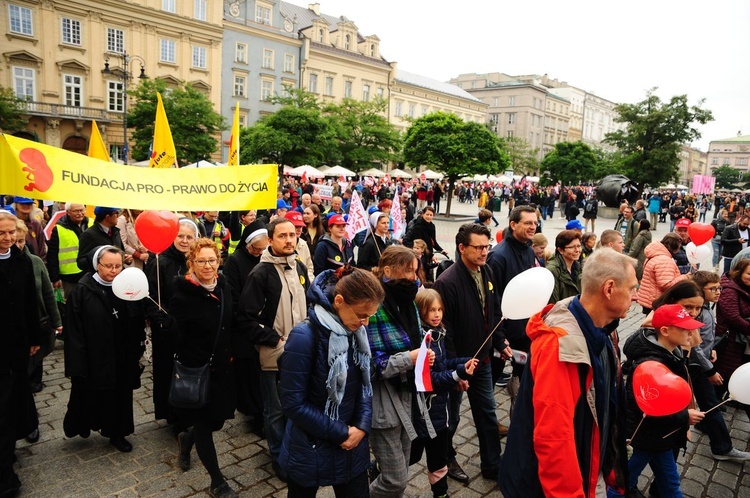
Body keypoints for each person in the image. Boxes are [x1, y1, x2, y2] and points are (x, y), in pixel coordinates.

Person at [499, 248, 634, 497]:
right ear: (609, 288)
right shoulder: (559, 346)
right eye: (632, 288)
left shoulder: (601, 329)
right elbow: (554, 440)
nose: (635, 297)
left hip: (590, 467)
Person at [278, 267, 384, 497]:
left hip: (352, 446)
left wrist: (362, 427)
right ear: (339, 301)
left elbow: (365, 386)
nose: (366, 323)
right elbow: (292, 402)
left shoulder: (356, 331)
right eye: (362, 314)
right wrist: (341, 432)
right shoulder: (304, 336)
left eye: (371, 315)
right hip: (309, 446)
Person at [434, 224, 511, 483]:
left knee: (488, 414)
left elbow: (494, 311)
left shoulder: (487, 270)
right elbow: (446, 332)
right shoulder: (447, 282)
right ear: (462, 248)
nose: (484, 252)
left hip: (484, 360)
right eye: (478, 247)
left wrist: (500, 342)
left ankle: (492, 465)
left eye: (487, 246)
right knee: (451, 419)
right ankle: (445, 458)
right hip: (457, 365)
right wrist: (456, 372)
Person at [237, 218, 309, 481]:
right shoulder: (260, 273)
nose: (289, 240)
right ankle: (278, 455)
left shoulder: (299, 265)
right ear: (270, 240)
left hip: (301, 353)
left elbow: (307, 302)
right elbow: (245, 317)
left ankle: (296, 450)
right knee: (276, 409)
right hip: (274, 356)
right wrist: (274, 341)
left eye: (292, 235)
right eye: (282, 236)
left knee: (299, 405)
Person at [170, 238, 238, 498]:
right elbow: (176, 339)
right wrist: (168, 327)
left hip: (222, 369)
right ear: (192, 263)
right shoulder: (182, 296)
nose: (207, 265)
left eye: (212, 260)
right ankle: (217, 481)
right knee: (204, 426)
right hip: (196, 371)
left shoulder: (223, 287)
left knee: (216, 422)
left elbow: (229, 322)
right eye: (201, 261)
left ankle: (187, 439)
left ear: (219, 261)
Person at [63, 246, 146, 453]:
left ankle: (117, 433)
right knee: (92, 393)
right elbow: (74, 332)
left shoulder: (127, 286)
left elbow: (137, 317)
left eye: (118, 266)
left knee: (120, 396)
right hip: (94, 355)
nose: (114, 270)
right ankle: (84, 424)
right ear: (96, 265)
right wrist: (77, 364)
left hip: (122, 354)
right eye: (108, 266)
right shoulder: (82, 291)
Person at [622, 302, 705, 497]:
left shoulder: (672, 352)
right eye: (685, 328)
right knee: (621, 485)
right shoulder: (651, 363)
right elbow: (649, 410)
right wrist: (684, 417)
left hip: (661, 438)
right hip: (644, 438)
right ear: (666, 331)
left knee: (671, 486)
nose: (690, 332)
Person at [367, 246, 430, 498]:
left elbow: (412, 338)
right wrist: (411, 358)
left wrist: (426, 346)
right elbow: (371, 364)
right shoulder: (374, 305)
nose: (413, 278)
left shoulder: (408, 301)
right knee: (395, 481)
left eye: (415, 271)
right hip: (383, 402)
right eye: (407, 271)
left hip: (408, 394)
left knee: (401, 469)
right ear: (388, 270)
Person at [410, 289, 478, 498]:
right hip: (422, 413)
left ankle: (440, 493)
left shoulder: (439, 334)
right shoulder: (422, 340)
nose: (437, 314)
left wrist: (461, 362)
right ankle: (379, 469)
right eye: (431, 310)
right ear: (421, 311)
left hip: (440, 413)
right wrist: (458, 374)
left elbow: (443, 365)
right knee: (411, 455)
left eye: (439, 309)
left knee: (438, 459)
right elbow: (430, 380)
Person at [485, 206, 539, 437]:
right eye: (527, 222)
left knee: (524, 376)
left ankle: (519, 420)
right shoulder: (499, 255)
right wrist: (499, 337)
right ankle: (488, 425)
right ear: (513, 224)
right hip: (502, 333)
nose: (532, 226)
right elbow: (492, 300)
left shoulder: (528, 250)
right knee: (490, 381)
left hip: (525, 329)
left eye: (535, 223)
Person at [0, 211, 41, 497]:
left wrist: (34, 338)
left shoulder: (22, 260)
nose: (8, 237)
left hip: (17, 345)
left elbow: (29, 302)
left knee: (15, 400)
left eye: (11, 232)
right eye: (2, 233)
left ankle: (8, 448)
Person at [144, 218, 198, 433]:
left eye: (189, 237)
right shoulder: (159, 261)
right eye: (180, 236)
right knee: (168, 371)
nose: (184, 241)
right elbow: (150, 295)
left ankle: (190, 407)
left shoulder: (196, 260)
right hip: (166, 327)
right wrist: (161, 317)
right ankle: (171, 413)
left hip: (191, 327)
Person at [689, 271, 750, 462]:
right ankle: (722, 447)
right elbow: (694, 345)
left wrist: (711, 350)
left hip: (702, 360)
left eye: (719, 288)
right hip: (697, 365)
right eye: (713, 288)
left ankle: (707, 428)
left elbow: (704, 341)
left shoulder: (706, 307)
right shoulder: (698, 310)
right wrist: (710, 370)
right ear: (700, 289)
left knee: (710, 403)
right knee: (711, 405)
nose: (718, 292)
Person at [222, 219, 267, 435]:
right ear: (247, 244)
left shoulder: (265, 258)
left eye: (262, 249)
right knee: (248, 372)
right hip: (243, 323)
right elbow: (233, 293)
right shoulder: (234, 261)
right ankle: (254, 414)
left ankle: (261, 411)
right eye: (255, 249)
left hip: (264, 322)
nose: (258, 253)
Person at [714, 259, 750, 419]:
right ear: (739, 271)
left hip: (740, 341)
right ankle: (710, 412)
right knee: (722, 375)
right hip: (729, 340)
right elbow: (733, 317)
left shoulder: (744, 287)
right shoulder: (729, 290)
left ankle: (715, 406)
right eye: (749, 273)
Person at [47, 202, 91, 299]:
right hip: (70, 277)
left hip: (89, 273)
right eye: (76, 211)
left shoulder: (91, 223)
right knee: (72, 305)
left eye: (82, 210)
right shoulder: (58, 229)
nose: (80, 213)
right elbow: (52, 255)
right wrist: (54, 278)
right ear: (68, 212)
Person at [636, 233, 688, 314]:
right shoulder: (664, 260)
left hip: (649, 298)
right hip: (657, 300)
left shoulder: (655, 254)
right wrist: (685, 277)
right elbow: (665, 284)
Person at [76, 206, 130, 271]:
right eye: (116, 213)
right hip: (100, 278)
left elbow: (121, 252)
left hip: (117, 276)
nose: (118, 216)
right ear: (107, 217)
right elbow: (81, 262)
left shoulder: (116, 232)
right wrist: (100, 262)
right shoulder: (88, 235)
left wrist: (125, 258)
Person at [546, 230, 582, 304]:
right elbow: (553, 304)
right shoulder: (552, 270)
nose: (577, 250)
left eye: (578, 246)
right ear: (560, 250)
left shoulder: (578, 267)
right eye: (572, 247)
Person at [11, 197, 47, 262]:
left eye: (29, 203)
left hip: (34, 264)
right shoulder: (10, 224)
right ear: (16, 205)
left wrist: (42, 264)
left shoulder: (35, 224)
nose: (26, 206)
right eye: (22, 204)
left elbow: (42, 248)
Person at [285, 211, 314, 282]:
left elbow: (309, 267)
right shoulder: (279, 244)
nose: (299, 229)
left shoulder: (303, 244)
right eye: (296, 226)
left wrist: (309, 282)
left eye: (300, 226)